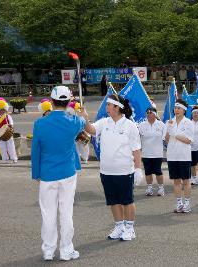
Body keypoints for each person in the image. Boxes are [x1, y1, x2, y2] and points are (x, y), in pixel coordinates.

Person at [31, 86, 85, 261]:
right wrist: (79, 111)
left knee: (48, 214)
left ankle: (48, 250)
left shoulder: (40, 123)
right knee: (65, 212)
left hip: (47, 173)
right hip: (68, 173)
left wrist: (36, 174)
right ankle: (66, 250)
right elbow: (82, 120)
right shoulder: (73, 121)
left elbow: (35, 151)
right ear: (68, 101)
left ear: (51, 101)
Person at [81, 94, 142, 241]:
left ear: (117, 107)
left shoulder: (130, 125)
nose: (106, 107)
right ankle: (119, 226)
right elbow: (91, 130)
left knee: (127, 201)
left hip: (124, 171)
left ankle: (129, 228)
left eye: (109, 104)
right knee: (113, 201)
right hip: (106, 171)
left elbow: (136, 149)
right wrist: (84, 117)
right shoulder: (105, 122)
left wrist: (138, 169)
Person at [164, 99, 194, 213]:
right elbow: (166, 140)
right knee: (176, 181)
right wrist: (168, 130)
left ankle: (187, 203)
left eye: (179, 108)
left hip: (184, 156)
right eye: (175, 108)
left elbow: (189, 140)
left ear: (184, 110)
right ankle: (179, 203)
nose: (176, 110)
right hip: (172, 155)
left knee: (186, 181)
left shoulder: (188, 123)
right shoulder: (169, 122)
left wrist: (175, 134)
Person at [138, 107, 166, 196]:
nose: (149, 115)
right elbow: (137, 139)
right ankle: (149, 188)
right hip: (146, 154)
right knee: (148, 172)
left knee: (158, 171)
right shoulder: (141, 125)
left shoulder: (161, 125)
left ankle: (161, 188)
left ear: (155, 114)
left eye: (151, 113)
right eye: (147, 113)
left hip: (157, 154)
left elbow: (166, 138)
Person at [0, 98, 18, 163]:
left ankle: (14, 158)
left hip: (8, 133)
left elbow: (11, 123)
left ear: (5, 109)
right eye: (0, 110)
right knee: (2, 147)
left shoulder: (8, 116)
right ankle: (5, 159)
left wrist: (10, 127)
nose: (2, 111)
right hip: (0, 134)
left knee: (11, 146)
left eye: (3, 109)